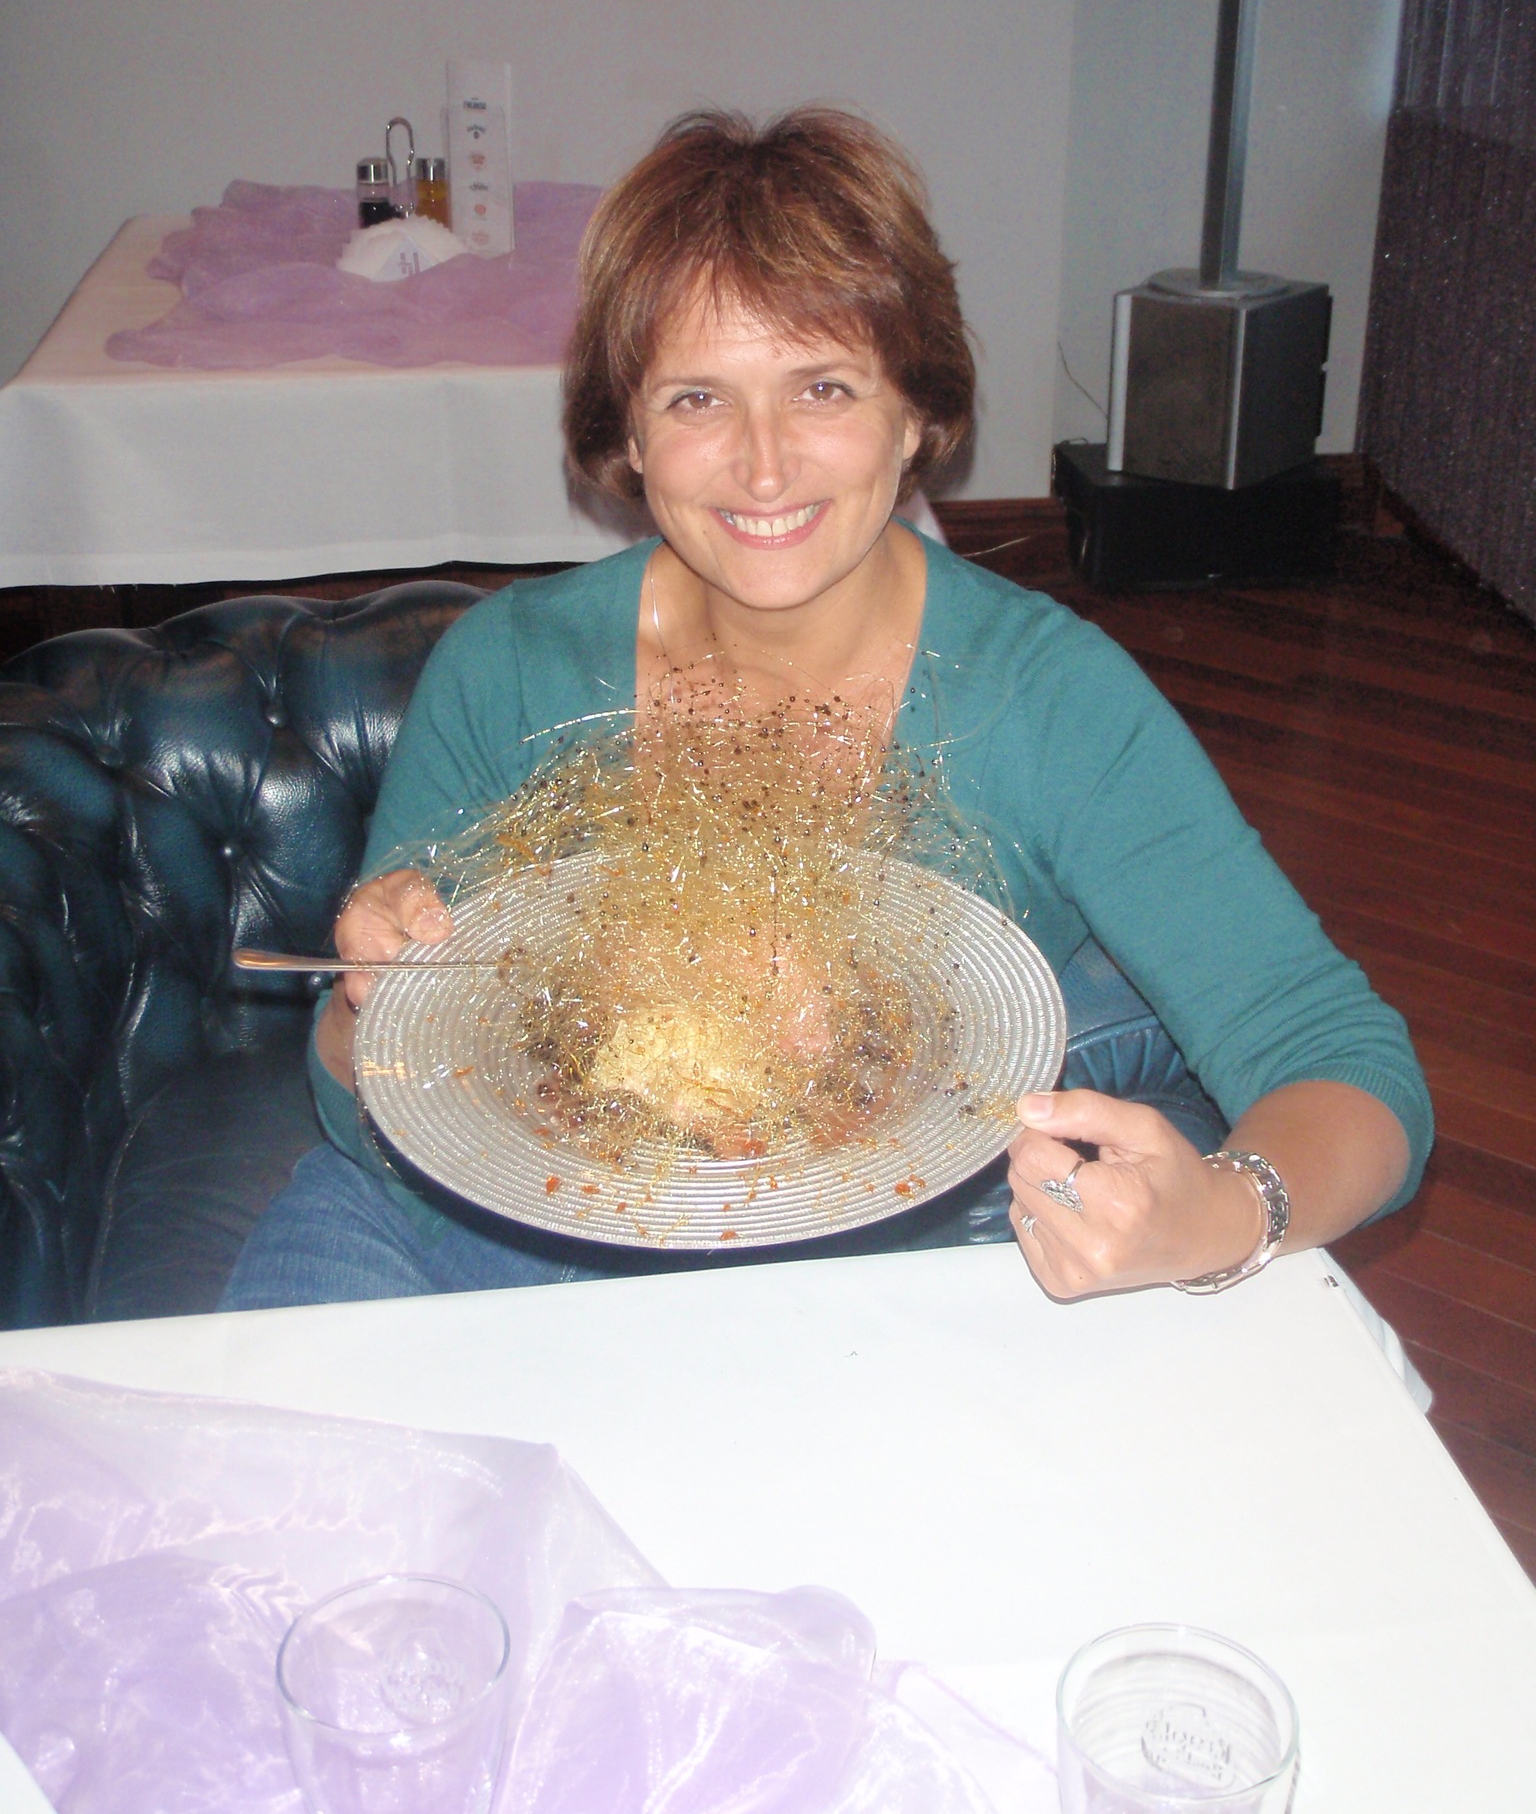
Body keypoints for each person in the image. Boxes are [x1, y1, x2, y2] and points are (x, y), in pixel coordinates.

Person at [222, 108, 1430, 1311]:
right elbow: (362, 1095)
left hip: (879, 1286)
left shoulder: (1046, 697)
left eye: (822, 386)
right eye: (697, 398)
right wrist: (365, 1006)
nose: (764, 465)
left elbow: (1349, 1067)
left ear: (917, 415)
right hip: (510, 1251)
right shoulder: (505, 670)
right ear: (627, 431)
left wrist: (1220, 1214)